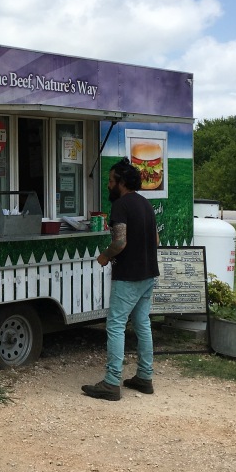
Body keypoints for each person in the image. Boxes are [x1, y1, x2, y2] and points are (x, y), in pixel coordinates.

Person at [82, 158, 159, 401]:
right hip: (148, 273)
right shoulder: (146, 204)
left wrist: (104, 256)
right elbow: (156, 241)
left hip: (129, 276)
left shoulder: (121, 206)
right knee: (142, 324)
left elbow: (120, 242)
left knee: (115, 325)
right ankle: (144, 377)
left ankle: (112, 383)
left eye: (110, 181)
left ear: (121, 183)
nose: (108, 185)